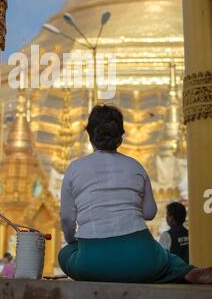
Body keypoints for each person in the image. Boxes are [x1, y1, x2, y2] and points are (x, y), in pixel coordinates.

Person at [58, 104, 212, 283]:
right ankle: (186, 272)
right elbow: (150, 213)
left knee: (65, 255)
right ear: (120, 137)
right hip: (141, 257)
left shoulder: (75, 168)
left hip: (92, 260)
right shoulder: (136, 166)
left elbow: (67, 219)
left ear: (90, 135)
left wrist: (73, 242)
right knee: (167, 259)